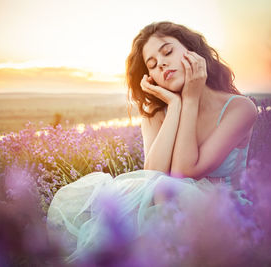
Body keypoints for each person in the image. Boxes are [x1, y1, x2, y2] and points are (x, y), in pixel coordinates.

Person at [47, 21, 258, 263]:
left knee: (163, 192)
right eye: (153, 65)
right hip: (169, 212)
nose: (162, 64)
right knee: (140, 192)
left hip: (227, 211)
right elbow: (152, 176)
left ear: (193, 52)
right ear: (151, 78)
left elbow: (182, 173)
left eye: (168, 52)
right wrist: (176, 105)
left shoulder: (240, 108)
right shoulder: (157, 114)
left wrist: (190, 99)